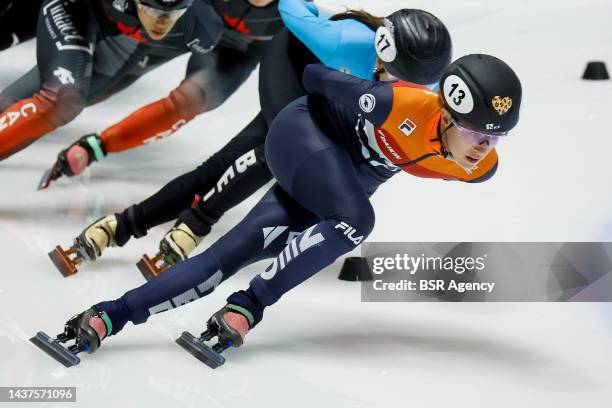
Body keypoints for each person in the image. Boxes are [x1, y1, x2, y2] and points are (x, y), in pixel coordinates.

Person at [40, 53, 522, 361]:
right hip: (300, 137)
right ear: (445, 113)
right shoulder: (394, 103)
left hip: (328, 187)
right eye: (478, 134)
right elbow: (314, 76)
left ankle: (109, 315)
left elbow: (405, 165)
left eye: (496, 137)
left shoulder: (478, 167)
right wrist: (355, 85)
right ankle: (255, 301)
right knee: (358, 221)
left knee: (221, 262)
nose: (484, 148)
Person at [51, 3, 452, 278]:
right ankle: (196, 222)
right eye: (391, 78)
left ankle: (122, 225)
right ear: (379, 57)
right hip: (293, 64)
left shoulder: (423, 99)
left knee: (227, 164)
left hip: (328, 97)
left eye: (410, 87)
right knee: (269, 157)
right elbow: (291, 9)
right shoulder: (344, 41)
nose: (397, 91)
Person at [0, 0, 282, 162]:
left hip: (134, 35)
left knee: (64, 104)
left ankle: (97, 145)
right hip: (87, 10)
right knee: (60, 99)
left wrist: (99, 147)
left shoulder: (297, 11)